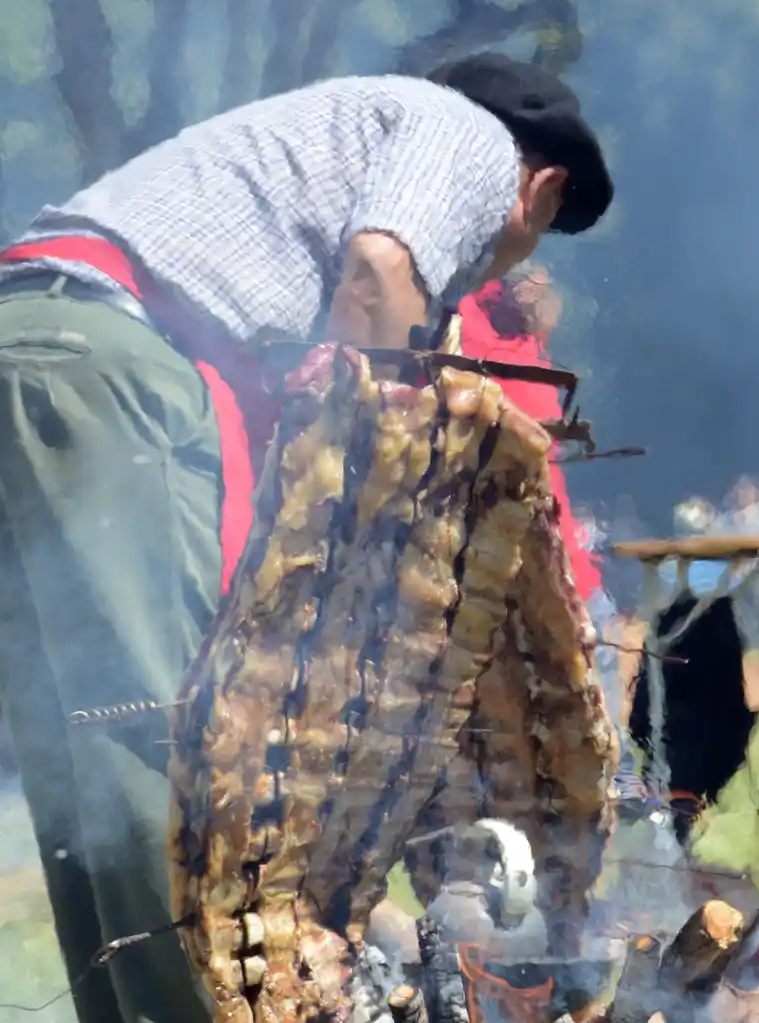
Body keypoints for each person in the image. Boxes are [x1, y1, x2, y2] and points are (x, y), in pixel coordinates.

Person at [0, 53, 612, 1023]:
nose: (506, 261)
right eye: (528, 237)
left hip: (35, 336)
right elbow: (378, 271)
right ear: (539, 186)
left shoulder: (341, 126)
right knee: (166, 733)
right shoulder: (466, 138)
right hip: (107, 365)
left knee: (83, 742)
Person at [456, 269, 643, 796]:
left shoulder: (529, 341)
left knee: (596, 649)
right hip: (505, 542)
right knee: (542, 669)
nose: (548, 297)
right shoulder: (466, 325)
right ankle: (580, 783)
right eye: (540, 282)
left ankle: (612, 776)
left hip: (561, 541)